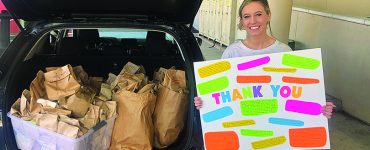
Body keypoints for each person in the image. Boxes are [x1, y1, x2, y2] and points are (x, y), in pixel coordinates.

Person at [194, 0, 335, 118]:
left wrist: (319, 107)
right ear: (242, 21)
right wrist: (205, 102)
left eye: (258, 14)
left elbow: (298, 94)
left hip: (274, 130)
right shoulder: (231, 53)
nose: (253, 21)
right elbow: (219, 93)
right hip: (243, 128)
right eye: (247, 16)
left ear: (268, 16)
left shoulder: (284, 52)